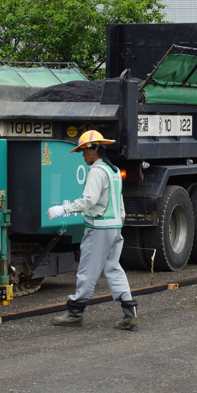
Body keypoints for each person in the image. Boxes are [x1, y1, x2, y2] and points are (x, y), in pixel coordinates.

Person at [47, 129, 138, 330]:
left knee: (87, 269)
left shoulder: (97, 171)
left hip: (99, 228)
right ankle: (129, 312)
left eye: (85, 151)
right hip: (114, 227)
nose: (83, 155)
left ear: (94, 150)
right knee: (113, 268)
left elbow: (89, 201)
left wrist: (63, 209)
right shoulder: (113, 170)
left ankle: (75, 312)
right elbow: (119, 202)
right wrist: (119, 222)